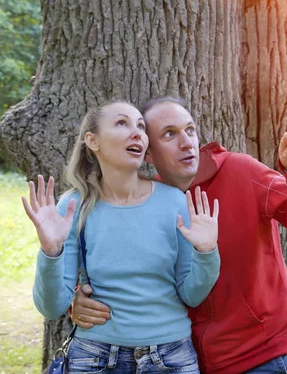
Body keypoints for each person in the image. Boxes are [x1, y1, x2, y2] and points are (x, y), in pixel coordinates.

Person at [71, 96, 287, 373]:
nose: (186, 142)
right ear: (147, 152)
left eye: (190, 130)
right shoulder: (144, 201)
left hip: (259, 353)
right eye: (169, 134)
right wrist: (78, 299)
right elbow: (126, 273)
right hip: (179, 358)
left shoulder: (241, 171)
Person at [22, 101, 220, 373]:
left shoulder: (175, 202)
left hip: (171, 356)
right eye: (121, 123)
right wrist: (50, 252)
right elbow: (51, 306)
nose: (137, 132)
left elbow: (192, 295)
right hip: (94, 356)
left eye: (140, 125)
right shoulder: (73, 206)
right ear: (93, 141)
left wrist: (207, 251)